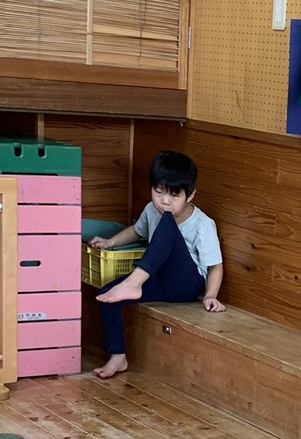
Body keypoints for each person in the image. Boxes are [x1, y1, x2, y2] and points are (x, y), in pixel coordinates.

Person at [92, 150, 225, 380]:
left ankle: (133, 283)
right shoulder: (151, 209)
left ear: (190, 195)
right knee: (108, 294)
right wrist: (110, 242)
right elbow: (137, 231)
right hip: (158, 279)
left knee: (167, 222)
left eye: (174, 195)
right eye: (158, 191)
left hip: (185, 285)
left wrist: (210, 296)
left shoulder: (203, 224)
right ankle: (118, 356)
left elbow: (215, 266)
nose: (164, 200)